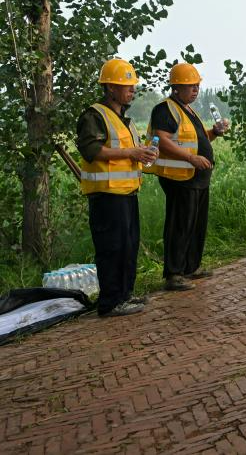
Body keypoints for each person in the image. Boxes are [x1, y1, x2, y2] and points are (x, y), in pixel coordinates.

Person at [75, 59, 157, 317]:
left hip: (127, 192)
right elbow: (92, 151)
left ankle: (125, 295)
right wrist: (130, 152)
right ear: (110, 87)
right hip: (106, 196)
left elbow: (128, 151)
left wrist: (143, 153)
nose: (132, 90)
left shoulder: (126, 120)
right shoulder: (93, 115)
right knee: (112, 248)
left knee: (128, 246)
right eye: (127, 85)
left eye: (133, 86)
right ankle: (110, 302)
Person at [147, 63, 228, 291]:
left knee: (196, 224)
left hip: (197, 178)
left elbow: (196, 141)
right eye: (190, 86)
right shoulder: (166, 109)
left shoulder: (187, 110)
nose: (195, 90)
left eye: (197, 85)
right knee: (180, 224)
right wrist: (191, 159)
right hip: (180, 177)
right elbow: (162, 141)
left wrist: (214, 133)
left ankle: (191, 267)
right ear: (176, 87)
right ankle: (174, 273)